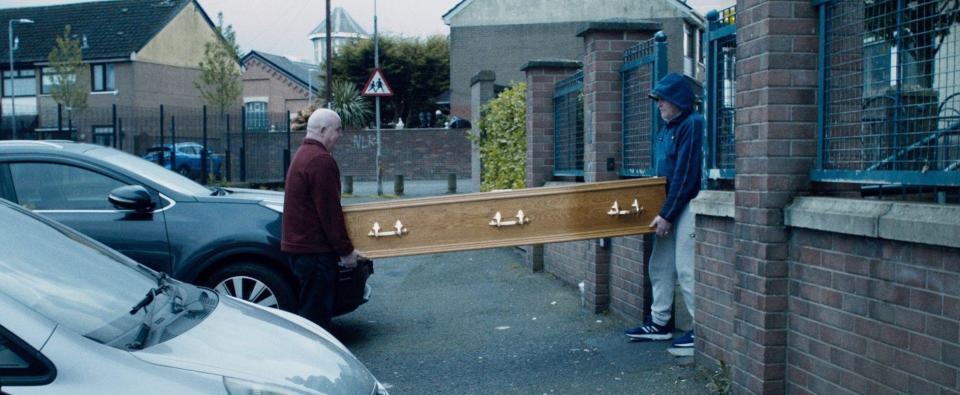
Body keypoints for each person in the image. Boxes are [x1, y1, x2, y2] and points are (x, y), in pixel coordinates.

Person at [624, 73, 703, 352]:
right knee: (660, 264)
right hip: (670, 205)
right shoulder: (668, 128)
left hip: (687, 204)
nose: (658, 104)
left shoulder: (693, 125)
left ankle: (701, 332)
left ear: (678, 100)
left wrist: (667, 213)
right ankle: (659, 323)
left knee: (686, 267)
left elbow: (686, 175)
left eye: (663, 99)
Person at [282, 108, 364, 330]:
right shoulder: (320, 161)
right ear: (323, 130)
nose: (340, 135)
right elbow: (329, 212)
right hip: (314, 254)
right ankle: (312, 362)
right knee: (316, 318)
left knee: (310, 311)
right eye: (338, 130)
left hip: (302, 251)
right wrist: (346, 252)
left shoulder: (302, 155)